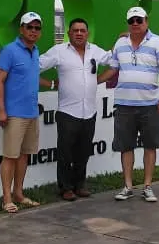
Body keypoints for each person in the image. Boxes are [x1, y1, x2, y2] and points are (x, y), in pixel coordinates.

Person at [97, 6, 159, 202]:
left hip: (150, 104)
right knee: (126, 146)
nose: (136, 24)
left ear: (146, 21)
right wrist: (94, 81)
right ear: (128, 23)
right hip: (124, 104)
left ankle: (147, 186)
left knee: (150, 145)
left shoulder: (158, 43)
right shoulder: (120, 43)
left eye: (139, 20)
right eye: (132, 21)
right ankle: (128, 186)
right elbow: (113, 69)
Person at [38, 18, 111, 201]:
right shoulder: (59, 51)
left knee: (84, 151)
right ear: (69, 33)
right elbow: (33, 67)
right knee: (65, 153)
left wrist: (99, 79)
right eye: (75, 30)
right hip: (67, 112)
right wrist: (51, 83)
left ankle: (79, 185)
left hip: (90, 111)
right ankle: (65, 188)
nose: (79, 33)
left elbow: (115, 62)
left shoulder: (95, 50)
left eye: (82, 30)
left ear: (87, 33)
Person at [0, 11, 43, 214]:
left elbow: (32, 78)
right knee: (10, 156)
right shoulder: (9, 51)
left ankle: (19, 194)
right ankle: (6, 198)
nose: (33, 31)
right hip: (14, 113)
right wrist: (1, 110)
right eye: (29, 27)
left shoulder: (36, 51)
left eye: (37, 28)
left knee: (24, 155)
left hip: (32, 112)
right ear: (21, 29)